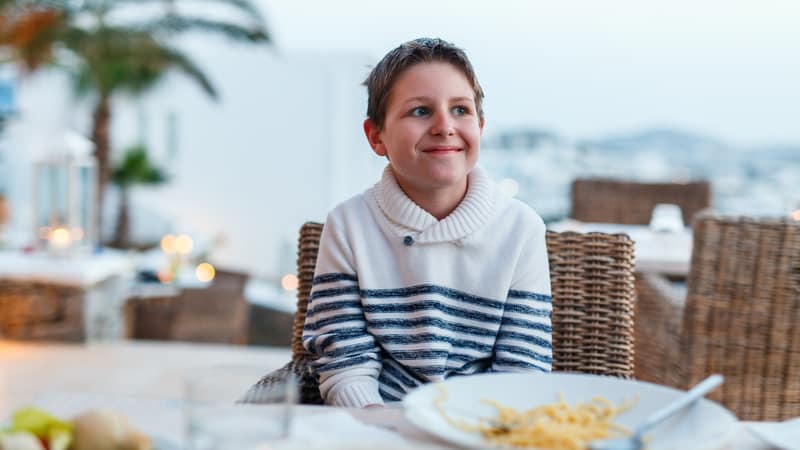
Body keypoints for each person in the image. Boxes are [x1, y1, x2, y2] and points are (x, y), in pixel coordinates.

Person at [302, 37, 552, 408]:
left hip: (482, 429)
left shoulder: (521, 229)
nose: (444, 126)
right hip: (374, 425)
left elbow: (523, 369)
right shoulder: (348, 225)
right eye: (420, 111)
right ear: (376, 136)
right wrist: (380, 427)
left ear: (480, 127)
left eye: (460, 110)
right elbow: (344, 362)